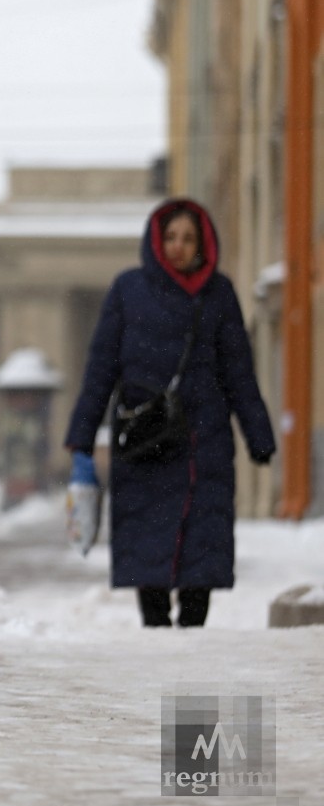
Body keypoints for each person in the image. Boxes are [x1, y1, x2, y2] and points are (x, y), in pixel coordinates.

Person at [65, 198, 275, 628]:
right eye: (171, 237)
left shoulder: (219, 294)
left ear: (203, 245)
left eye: (188, 238)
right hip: (145, 440)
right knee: (147, 539)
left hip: (205, 442)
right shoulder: (128, 290)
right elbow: (101, 367)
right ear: (157, 241)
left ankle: (193, 630)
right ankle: (156, 629)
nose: (179, 246)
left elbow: (238, 372)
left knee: (203, 540)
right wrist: (81, 437)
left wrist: (259, 435)